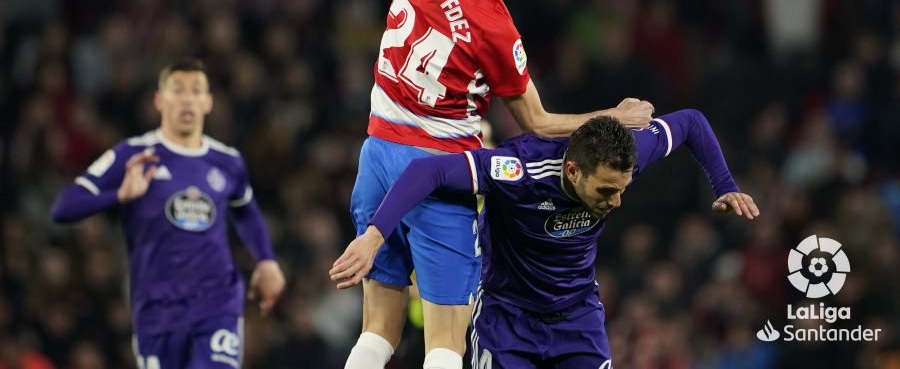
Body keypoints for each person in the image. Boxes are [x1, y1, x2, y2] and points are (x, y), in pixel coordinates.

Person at [348, 0, 654, 369]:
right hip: (436, 171)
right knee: (444, 343)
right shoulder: (494, 22)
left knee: (377, 333)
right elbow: (535, 120)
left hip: (376, 154)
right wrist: (610, 116)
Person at [333, 111, 759, 368]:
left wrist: (724, 184)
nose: (617, 202)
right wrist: (375, 234)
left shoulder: (623, 151)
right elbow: (428, 172)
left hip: (577, 315)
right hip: (507, 319)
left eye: (623, 188)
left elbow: (690, 123)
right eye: (607, 191)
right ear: (572, 171)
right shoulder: (518, 169)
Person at [50, 58, 285, 369]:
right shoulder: (133, 154)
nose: (187, 98)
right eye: (177, 89)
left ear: (208, 102)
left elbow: (245, 210)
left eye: (196, 90)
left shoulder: (227, 162)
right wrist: (119, 195)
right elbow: (63, 208)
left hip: (216, 303)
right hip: (156, 309)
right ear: (160, 101)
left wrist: (266, 260)